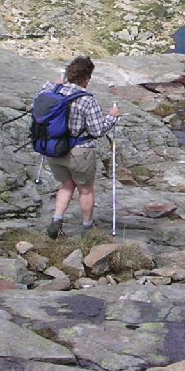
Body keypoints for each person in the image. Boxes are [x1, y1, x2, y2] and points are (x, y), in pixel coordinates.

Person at [37, 55, 120, 239]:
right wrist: (112, 116)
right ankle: (87, 227)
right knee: (85, 189)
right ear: (86, 78)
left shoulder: (50, 89)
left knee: (66, 185)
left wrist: (55, 83)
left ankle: (57, 220)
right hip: (80, 151)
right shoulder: (87, 100)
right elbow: (97, 130)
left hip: (54, 147)